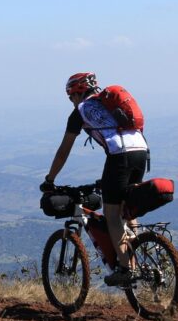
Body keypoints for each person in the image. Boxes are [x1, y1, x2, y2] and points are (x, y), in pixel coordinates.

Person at [40, 72, 149, 286]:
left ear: (77, 92)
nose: (71, 102)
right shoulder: (108, 104)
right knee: (127, 209)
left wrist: (50, 179)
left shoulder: (80, 111)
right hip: (142, 152)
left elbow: (63, 151)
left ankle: (127, 269)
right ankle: (137, 254)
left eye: (71, 97)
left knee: (112, 215)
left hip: (120, 156)